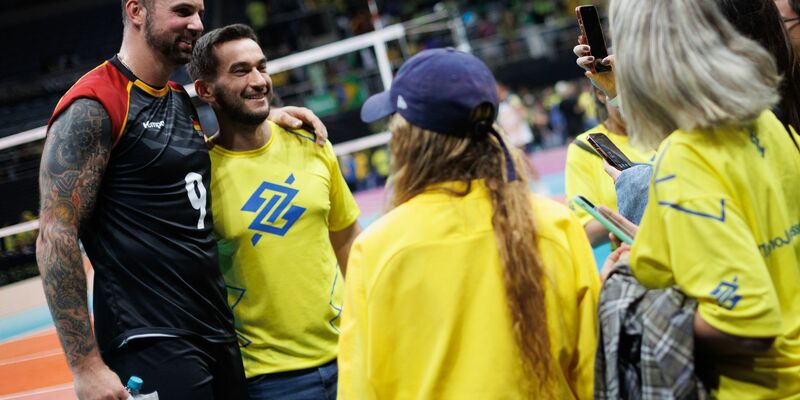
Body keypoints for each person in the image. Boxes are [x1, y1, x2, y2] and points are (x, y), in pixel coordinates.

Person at [36, 1, 326, 398]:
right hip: (151, 338)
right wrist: (86, 366)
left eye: (200, 12)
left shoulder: (176, 97)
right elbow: (56, 233)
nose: (197, 24)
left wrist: (264, 119)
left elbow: (181, 167)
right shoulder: (94, 105)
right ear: (136, 11)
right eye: (182, 10)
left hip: (214, 329)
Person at [337, 48, 600, 399]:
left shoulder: (376, 250)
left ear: (406, 140)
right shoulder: (556, 227)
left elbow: (360, 390)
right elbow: (595, 376)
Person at [599, 0, 800, 397]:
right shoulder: (768, 124)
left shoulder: (685, 159)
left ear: (641, 60)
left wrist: (634, 308)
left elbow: (747, 321)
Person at [187, 24, 361, 399]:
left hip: (351, 355)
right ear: (205, 90)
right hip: (269, 380)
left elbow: (348, 239)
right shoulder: (198, 174)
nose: (258, 80)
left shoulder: (311, 142)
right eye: (240, 71)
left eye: (261, 67)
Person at [564, 86, 653, 246]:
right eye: (621, 88)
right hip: (636, 256)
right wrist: (640, 205)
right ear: (600, 93)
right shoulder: (584, 148)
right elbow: (587, 232)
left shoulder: (664, 133)